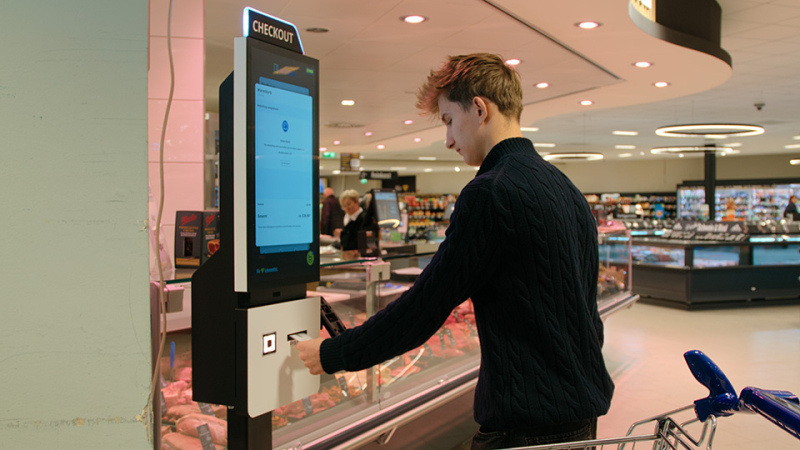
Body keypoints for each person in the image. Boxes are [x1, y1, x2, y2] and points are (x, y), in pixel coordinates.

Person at [297, 53, 612, 450]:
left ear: (479, 108)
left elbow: (426, 305)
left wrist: (334, 353)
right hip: (580, 416)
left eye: (448, 120)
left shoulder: (490, 192)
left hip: (525, 428)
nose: (447, 140)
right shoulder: (566, 188)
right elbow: (587, 311)